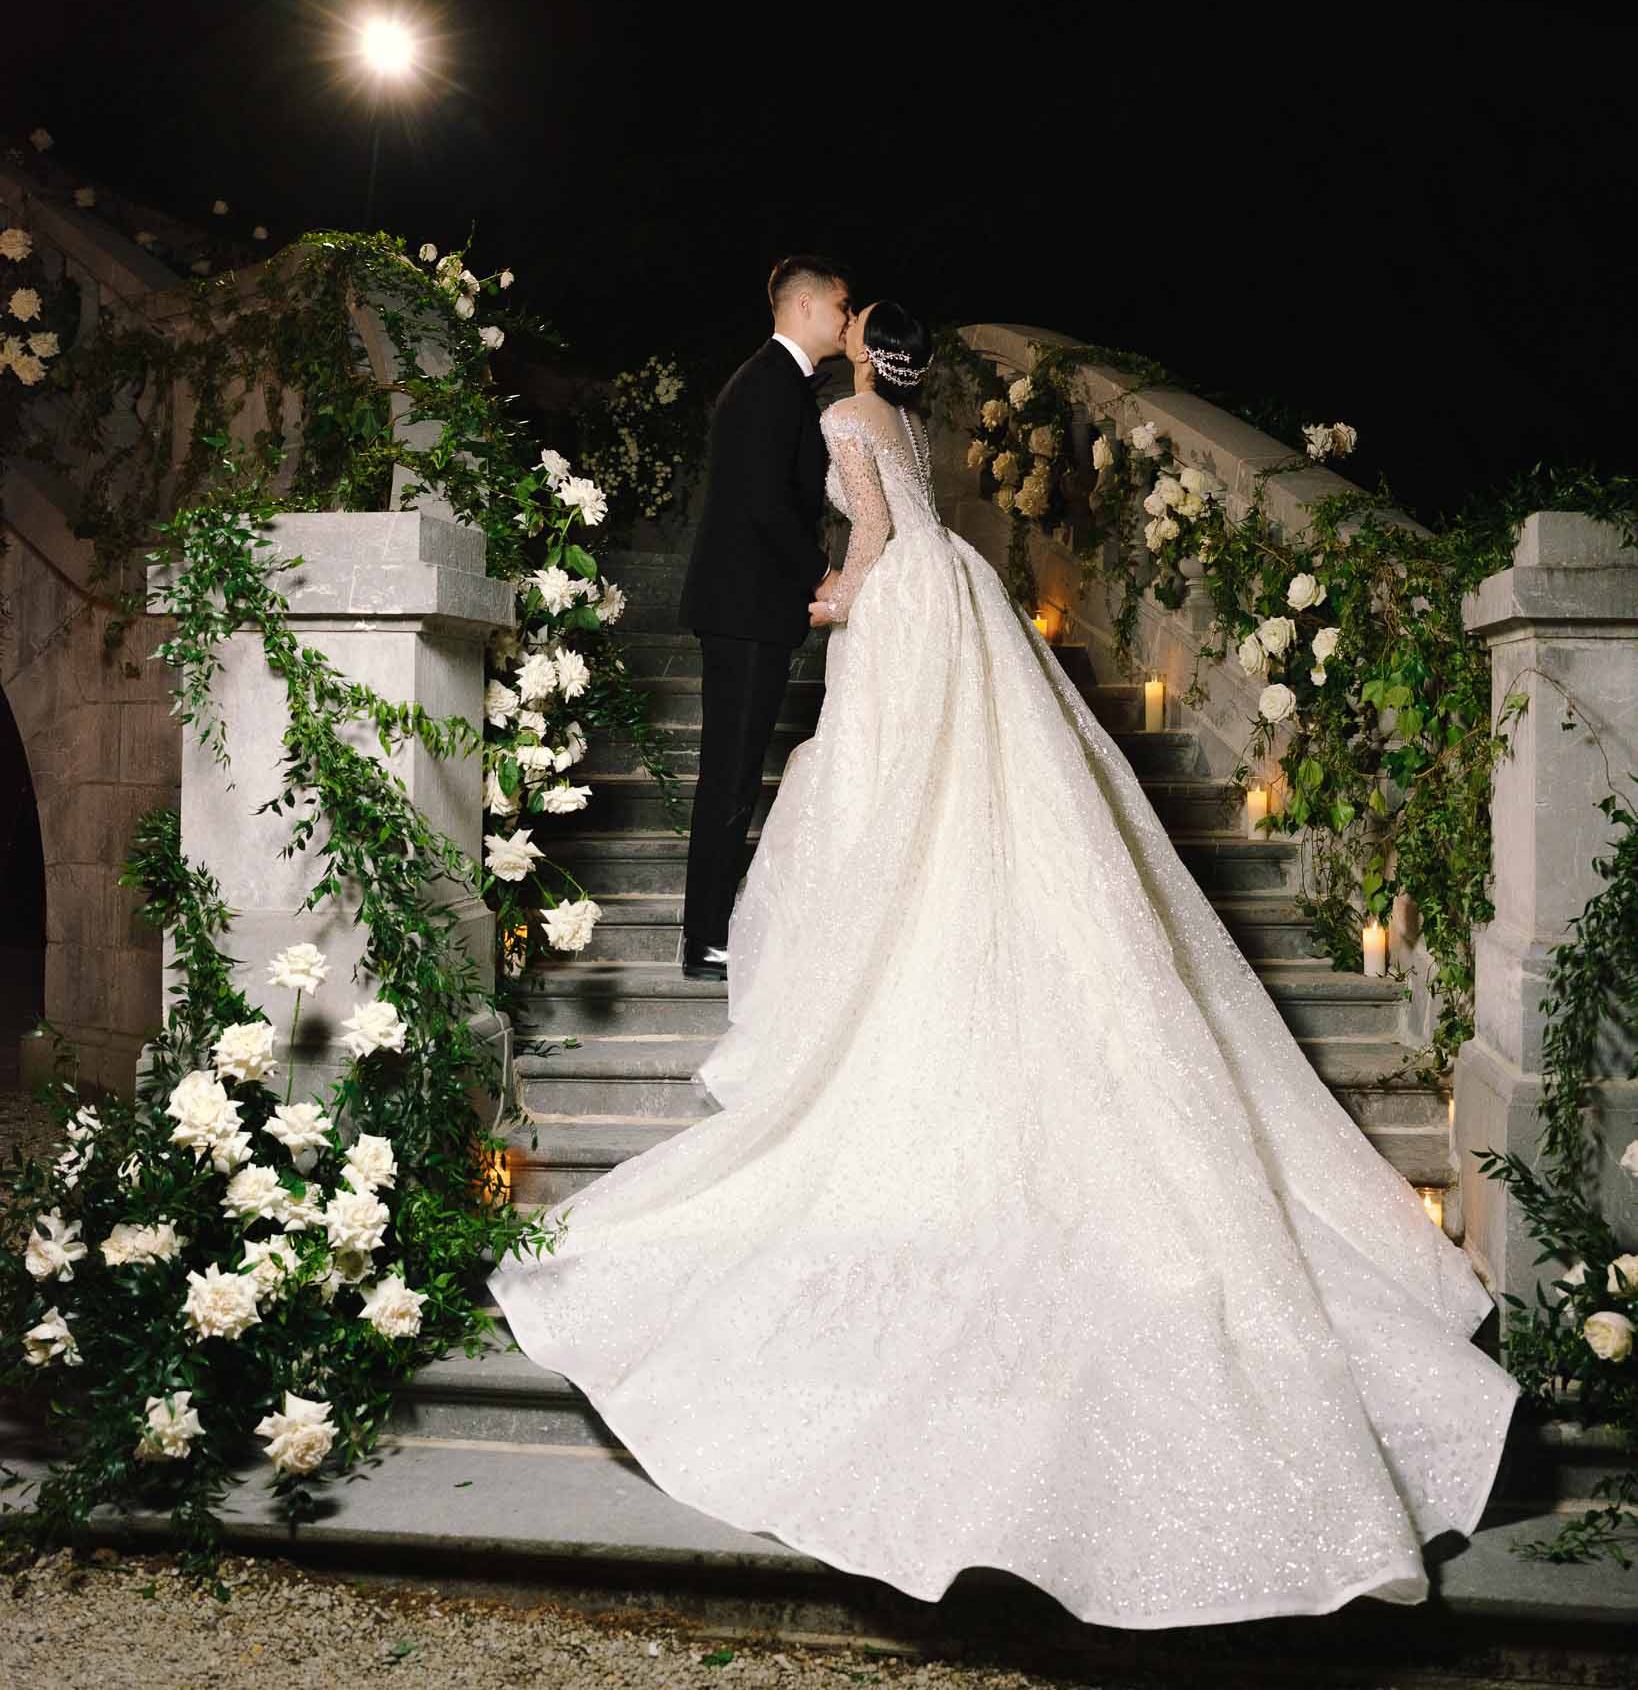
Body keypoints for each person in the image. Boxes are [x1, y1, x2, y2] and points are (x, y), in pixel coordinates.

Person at [488, 300, 1519, 1629]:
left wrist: (841, 592)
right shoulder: (907, 417)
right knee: (960, 795)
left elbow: (871, 532)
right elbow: (917, 516)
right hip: (961, 600)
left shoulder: (843, 414)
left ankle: (887, 950)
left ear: (858, 345)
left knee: (894, 796)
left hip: (905, 604)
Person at [675, 255, 850, 980]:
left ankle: (708, 928)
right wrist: (825, 572)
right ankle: (705, 937)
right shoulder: (767, 385)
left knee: (738, 771)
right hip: (744, 609)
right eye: (841, 306)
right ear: (804, 307)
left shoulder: (778, 383)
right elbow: (763, 506)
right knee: (731, 773)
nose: (847, 318)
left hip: (753, 609)